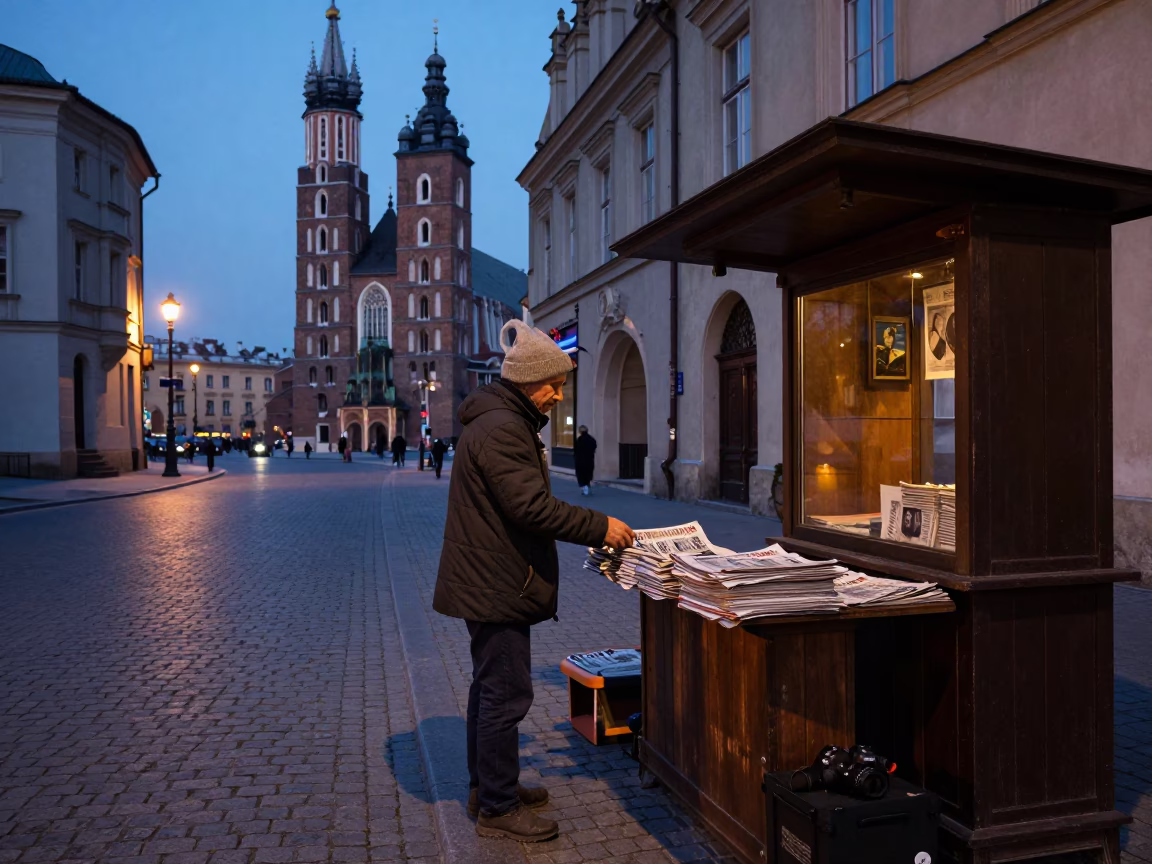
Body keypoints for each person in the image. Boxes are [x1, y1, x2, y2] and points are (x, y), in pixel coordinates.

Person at [434, 319, 635, 843]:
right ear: (529, 380)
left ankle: (489, 788)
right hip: (496, 582)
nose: (559, 395)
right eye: (555, 384)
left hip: (491, 577)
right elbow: (529, 507)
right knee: (505, 695)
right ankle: (498, 808)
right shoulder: (503, 427)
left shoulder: (502, 419)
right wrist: (601, 526)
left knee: (489, 690)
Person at [573, 425, 597, 496]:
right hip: (589, 460)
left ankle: (584, 488)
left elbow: (576, 450)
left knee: (581, 475)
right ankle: (587, 486)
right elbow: (594, 448)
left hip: (580, 461)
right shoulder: (592, 439)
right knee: (588, 474)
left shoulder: (579, 440)